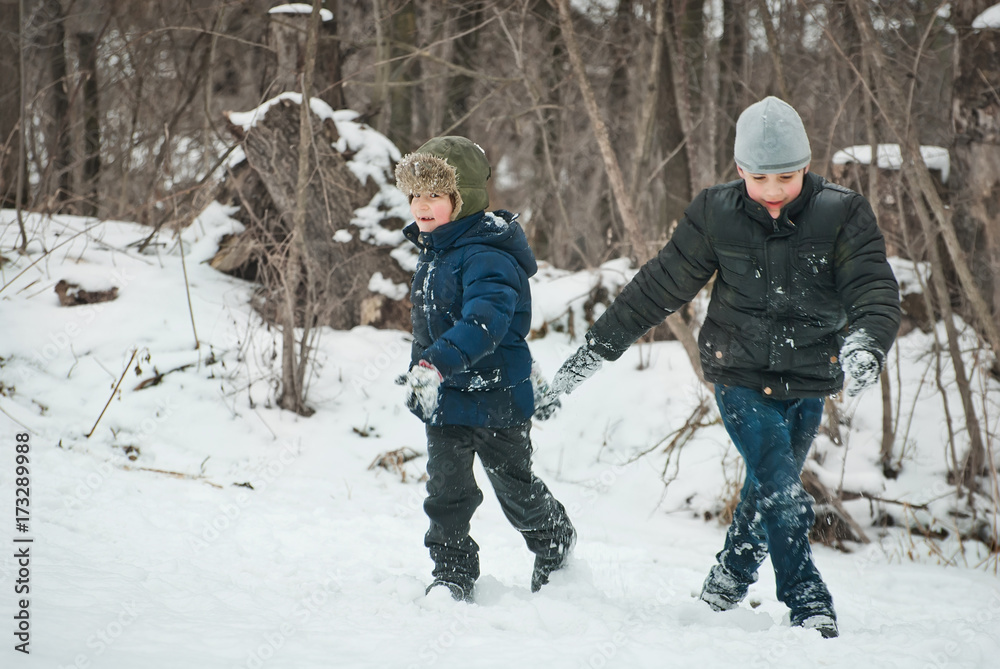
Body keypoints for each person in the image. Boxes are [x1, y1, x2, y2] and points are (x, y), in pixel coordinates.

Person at [541, 97, 901, 638]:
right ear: (739, 171)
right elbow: (655, 290)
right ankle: (807, 600)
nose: (775, 191)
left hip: (809, 376)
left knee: (765, 484)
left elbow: (872, 285)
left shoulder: (842, 212)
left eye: (786, 177)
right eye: (760, 179)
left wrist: (867, 343)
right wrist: (585, 360)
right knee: (781, 486)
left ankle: (727, 582)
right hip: (740, 374)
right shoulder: (716, 213)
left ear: (806, 166)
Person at [394, 136, 576, 602]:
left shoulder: (487, 255)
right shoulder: (436, 248)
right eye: (415, 194)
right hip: (447, 398)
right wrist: (424, 371)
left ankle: (554, 543)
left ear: (464, 198)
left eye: (434, 195)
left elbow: (485, 322)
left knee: (515, 490)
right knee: (446, 495)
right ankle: (452, 572)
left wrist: (437, 362)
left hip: (496, 397)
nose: (421, 205)